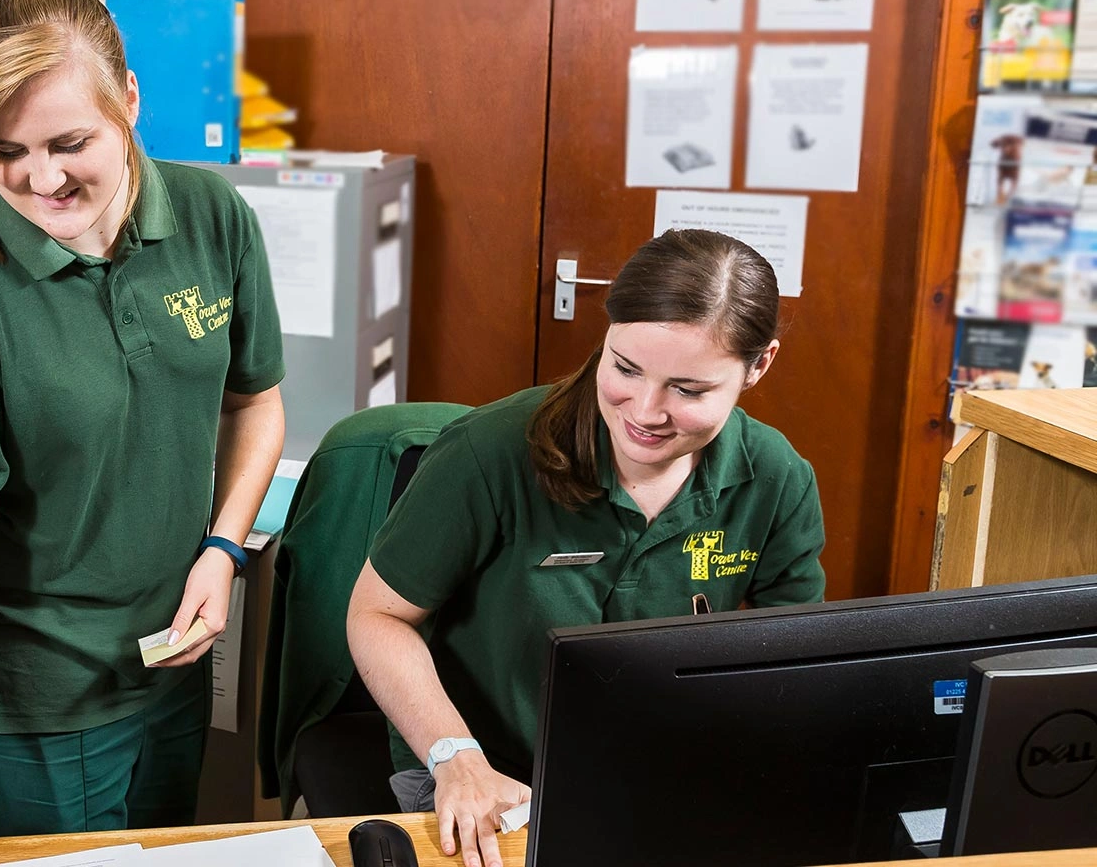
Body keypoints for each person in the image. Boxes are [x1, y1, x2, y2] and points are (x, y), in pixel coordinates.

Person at [0, 0, 287, 867]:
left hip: (172, 655)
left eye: (70, 142)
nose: (41, 178)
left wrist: (224, 547)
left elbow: (254, 403)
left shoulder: (211, 215)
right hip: (43, 703)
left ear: (129, 100)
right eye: (4, 150)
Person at [346, 229, 825, 867]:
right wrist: (452, 757)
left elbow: (794, 667)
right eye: (624, 368)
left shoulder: (776, 478)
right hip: (482, 773)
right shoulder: (489, 454)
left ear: (759, 364)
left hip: (661, 779)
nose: (644, 411)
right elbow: (376, 616)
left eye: (688, 390)